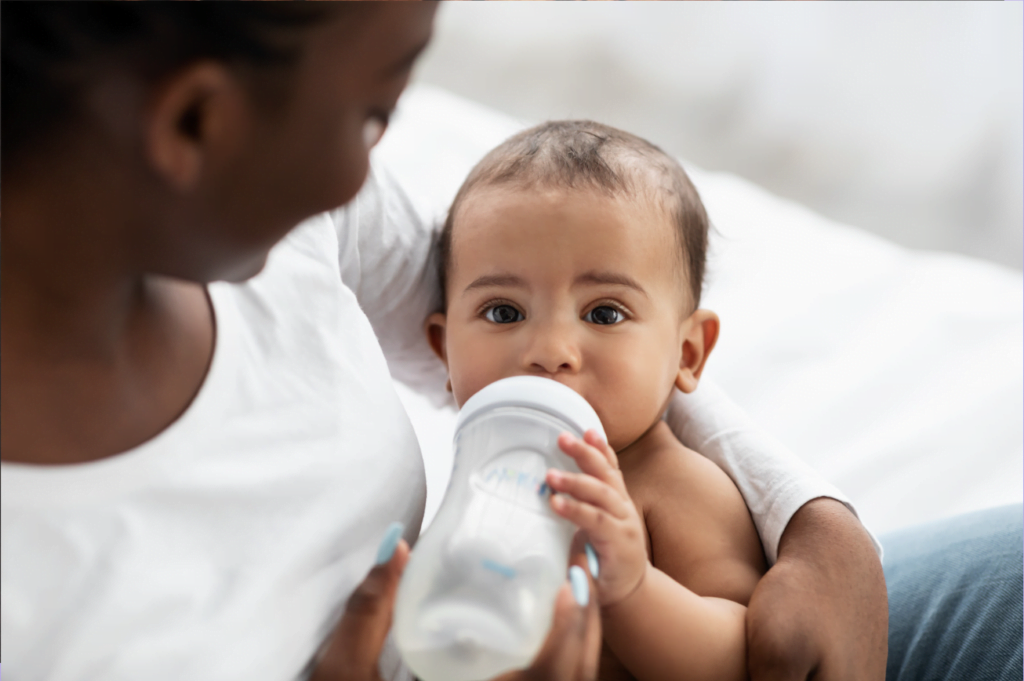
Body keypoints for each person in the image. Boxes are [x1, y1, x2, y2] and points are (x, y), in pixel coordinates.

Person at [17, 3, 1003, 680]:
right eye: (370, 116)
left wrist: (815, 523)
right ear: (197, 120)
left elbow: (556, 347)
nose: (371, 174)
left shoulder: (291, 224)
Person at [423, 120, 765, 681]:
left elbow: (742, 658)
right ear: (443, 350)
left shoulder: (678, 487)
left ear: (687, 354)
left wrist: (633, 585)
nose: (551, 351)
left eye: (604, 313)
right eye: (504, 312)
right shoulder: (483, 475)